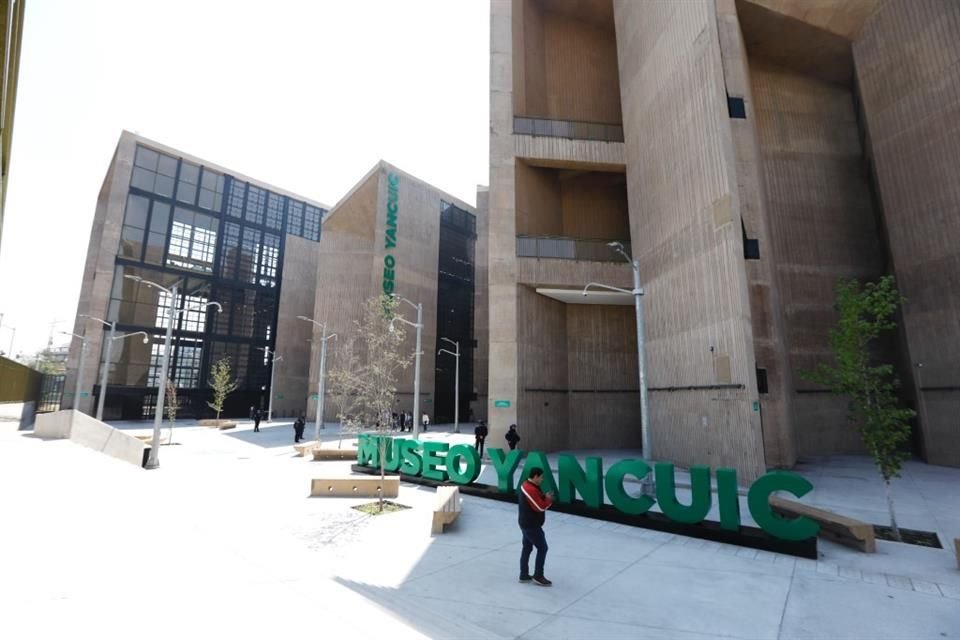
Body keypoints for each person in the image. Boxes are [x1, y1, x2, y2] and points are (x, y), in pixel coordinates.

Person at [518, 467, 553, 586]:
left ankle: (524, 574)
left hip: (525, 523)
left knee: (527, 548)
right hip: (531, 525)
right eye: (541, 477)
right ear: (536, 476)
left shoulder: (526, 485)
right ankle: (538, 575)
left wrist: (544, 497)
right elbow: (540, 507)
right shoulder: (530, 489)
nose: (543, 479)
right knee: (543, 548)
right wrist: (548, 499)